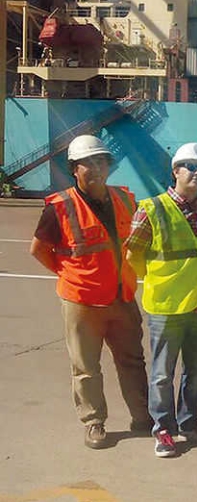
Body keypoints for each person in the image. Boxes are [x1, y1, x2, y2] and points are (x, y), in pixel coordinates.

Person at [30, 135, 151, 450]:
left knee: (133, 360)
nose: (97, 168)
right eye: (90, 162)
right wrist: (67, 274)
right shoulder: (60, 206)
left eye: (102, 161)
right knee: (86, 366)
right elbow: (39, 250)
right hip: (82, 302)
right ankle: (94, 422)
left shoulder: (125, 199)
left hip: (121, 297)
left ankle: (143, 417)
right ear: (74, 169)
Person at [125, 142, 197, 457]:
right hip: (167, 307)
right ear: (176, 170)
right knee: (162, 374)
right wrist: (163, 280)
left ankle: (189, 423)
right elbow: (133, 255)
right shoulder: (151, 208)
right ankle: (163, 430)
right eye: (191, 167)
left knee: (195, 373)